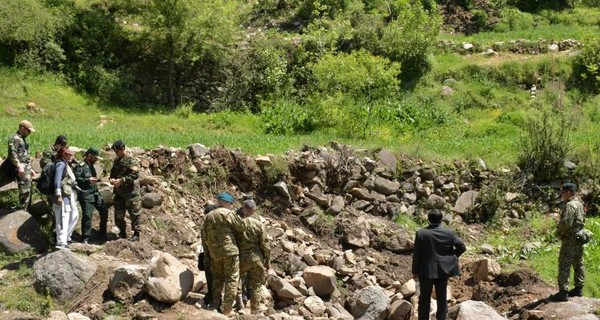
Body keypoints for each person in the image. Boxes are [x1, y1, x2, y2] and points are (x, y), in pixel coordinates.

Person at [412, 209, 466, 320]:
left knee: (424, 298)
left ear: (428, 220)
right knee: (442, 298)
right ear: (441, 220)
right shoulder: (449, 233)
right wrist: (452, 257)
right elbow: (462, 246)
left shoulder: (421, 233)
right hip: (443, 271)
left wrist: (415, 271)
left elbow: (417, 254)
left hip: (426, 271)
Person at [202, 192, 243, 316]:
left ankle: (214, 305)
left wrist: (208, 253)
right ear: (226, 202)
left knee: (217, 278)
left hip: (215, 253)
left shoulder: (208, 216)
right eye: (231, 203)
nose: (231, 206)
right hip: (230, 251)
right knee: (232, 279)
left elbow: (204, 236)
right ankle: (227, 309)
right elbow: (241, 228)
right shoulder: (229, 214)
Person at [551, 183, 586, 301]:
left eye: (563, 192)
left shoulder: (570, 206)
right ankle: (578, 289)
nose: (562, 195)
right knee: (578, 263)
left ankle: (563, 292)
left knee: (564, 264)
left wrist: (558, 234)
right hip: (579, 238)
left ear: (569, 192)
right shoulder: (580, 204)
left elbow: (566, 223)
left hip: (570, 240)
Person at [237, 199, 270, 314]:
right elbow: (265, 244)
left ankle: (240, 305)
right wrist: (267, 261)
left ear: (244, 208)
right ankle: (254, 311)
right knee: (256, 285)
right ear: (254, 210)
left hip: (242, 257)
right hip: (257, 258)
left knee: (238, 280)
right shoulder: (259, 224)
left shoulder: (239, 223)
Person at [109, 140, 142, 241]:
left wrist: (122, 181)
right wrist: (112, 179)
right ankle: (122, 231)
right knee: (118, 214)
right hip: (119, 193)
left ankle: (136, 233)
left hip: (131, 193)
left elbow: (135, 174)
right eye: (115, 152)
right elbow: (113, 173)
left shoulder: (131, 160)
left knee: (134, 214)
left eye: (117, 151)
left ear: (123, 149)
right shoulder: (116, 160)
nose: (116, 153)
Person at [75, 147, 108, 244]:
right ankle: (85, 238)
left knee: (104, 211)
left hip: (95, 194)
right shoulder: (81, 166)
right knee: (87, 217)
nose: (96, 160)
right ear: (89, 156)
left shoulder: (91, 166)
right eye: (95, 157)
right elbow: (76, 179)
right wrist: (87, 180)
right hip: (86, 195)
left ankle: (102, 234)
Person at [1, 120, 36, 209]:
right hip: (14, 167)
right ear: (22, 128)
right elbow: (12, 154)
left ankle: (23, 209)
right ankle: (22, 210)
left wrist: (30, 168)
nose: (29, 133)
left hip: (24, 168)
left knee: (26, 190)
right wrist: (19, 166)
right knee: (24, 190)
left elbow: (25, 155)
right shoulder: (15, 138)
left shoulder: (23, 140)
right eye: (28, 130)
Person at [53, 147, 79, 250]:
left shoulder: (66, 165)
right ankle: (60, 242)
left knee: (72, 215)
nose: (71, 156)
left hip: (67, 196)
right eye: (68, 154)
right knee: (62, 219)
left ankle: (65, 238)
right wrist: (58, 195)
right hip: (62, 196)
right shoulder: (61, 164)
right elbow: (57, 180)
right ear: (63, 154)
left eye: (71, 154)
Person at [200, 202, 218, 307]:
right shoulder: (216, 224)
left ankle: (210, 296)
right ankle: (214, 299)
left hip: (208, 256)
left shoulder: (205, 224)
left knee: (210, 278)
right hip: (216, 257)